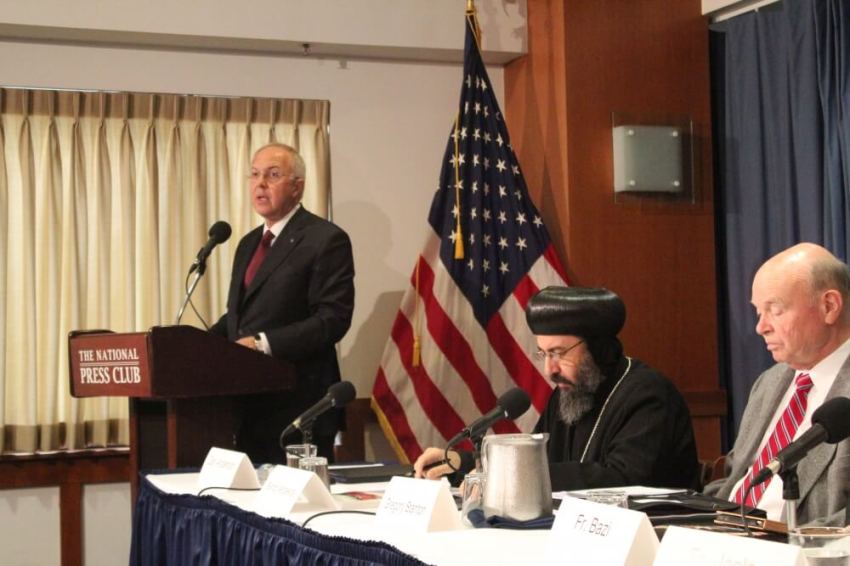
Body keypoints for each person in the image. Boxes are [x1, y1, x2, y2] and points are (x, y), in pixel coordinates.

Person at [414, 286, 700, 491]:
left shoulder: (649, 396)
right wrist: (464, 463)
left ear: (597, 348)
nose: (549, 369)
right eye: (543, 353)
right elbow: (538, 462)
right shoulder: (570, 393)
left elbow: (623, 480)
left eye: (559, 353)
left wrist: (506, 474)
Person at [210, 143, 355, 464]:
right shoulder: (248, 243)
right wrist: (198, 345)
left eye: (273, 175)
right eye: (255, 174)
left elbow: (332, 319)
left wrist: (263, 344)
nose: (260, 183)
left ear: (297, 186)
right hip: (247, 406)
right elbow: (238, 319)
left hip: (299, 408)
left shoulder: (325, 239)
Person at [704, 243, 850, 525]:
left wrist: (790, 541)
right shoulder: (769, 383)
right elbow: (736, 477)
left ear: (829, 306)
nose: (761, 327)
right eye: (759, 312)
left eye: (775, 310)